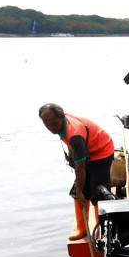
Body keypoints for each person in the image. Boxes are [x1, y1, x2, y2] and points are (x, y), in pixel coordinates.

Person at [38, 103, 115, 240]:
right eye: (47, 125)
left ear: (61, 116)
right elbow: (72, 148)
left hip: (101, 151)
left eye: (53, 123)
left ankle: (103, 230)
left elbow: (81, 167)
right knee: (77, 193)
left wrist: (81, 191)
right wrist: (79, 192)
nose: (51, 128)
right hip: (87, 150)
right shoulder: (61, 124)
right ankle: (81, 227)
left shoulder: (75, 134)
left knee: (98, 192)